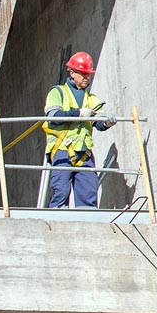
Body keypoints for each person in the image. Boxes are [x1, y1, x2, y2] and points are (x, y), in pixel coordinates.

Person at [42, 52, 118, 208]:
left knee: (88, 194)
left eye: (88, 74)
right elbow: (53, 117)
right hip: (63, 150)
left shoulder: (91, 99)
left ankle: (89, 225)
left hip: (85, 154)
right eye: (83, 74)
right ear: (72, 73)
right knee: (61, 192)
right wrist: (78, 113)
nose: (86, 78)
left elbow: (98, 124)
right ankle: (58, 222)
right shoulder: (57, 93)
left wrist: (107, 123)